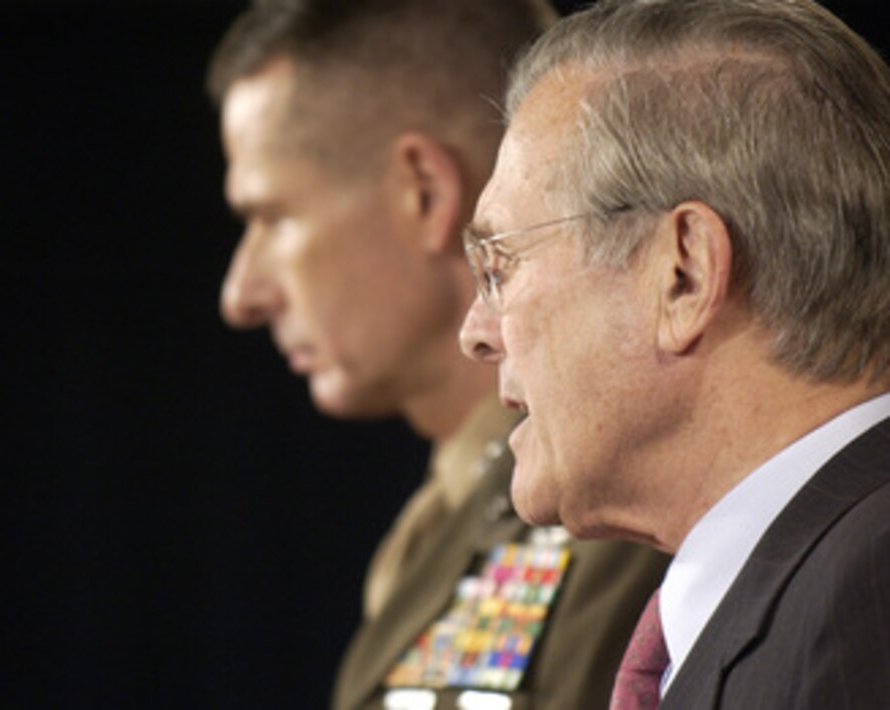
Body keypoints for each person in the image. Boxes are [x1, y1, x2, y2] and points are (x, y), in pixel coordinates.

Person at [207, 1, 670, 708]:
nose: (241, 294)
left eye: (274, 217)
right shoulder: (441, 523)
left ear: (424, 191)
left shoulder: (620, 511)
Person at [458, 0, 890, 707]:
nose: (476, 332)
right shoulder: (814, 582)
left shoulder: (868, 598)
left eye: (501, 267)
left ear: (683, 275)